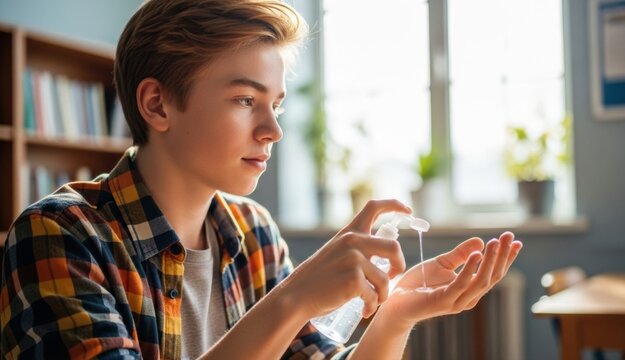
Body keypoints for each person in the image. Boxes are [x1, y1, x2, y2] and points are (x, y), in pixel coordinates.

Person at [0, 0, 522, 359]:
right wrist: (292, 299)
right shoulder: (61, 235)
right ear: (157, 104)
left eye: (275, 104)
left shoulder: (252, 231)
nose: (273, 130)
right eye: (245, 100)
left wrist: (396, 315)